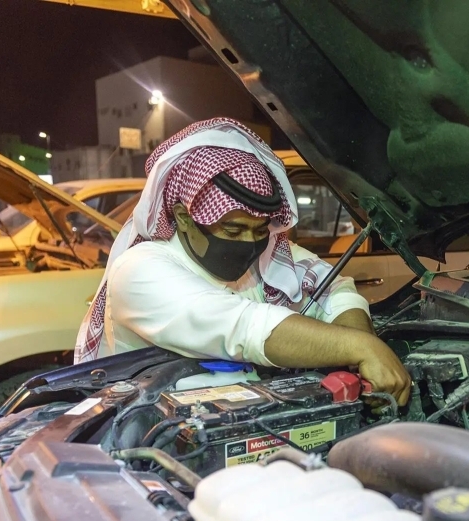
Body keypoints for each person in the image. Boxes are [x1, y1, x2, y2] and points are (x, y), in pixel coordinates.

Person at [75, 118, 411, 405]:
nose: (250, 243)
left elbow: (334, 287)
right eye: (233, 230)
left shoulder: (268, 254)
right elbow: (245, 327)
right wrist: (362, 348)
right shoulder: (139, 270)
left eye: (260, 230)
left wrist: (361, 355)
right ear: (184, 217)